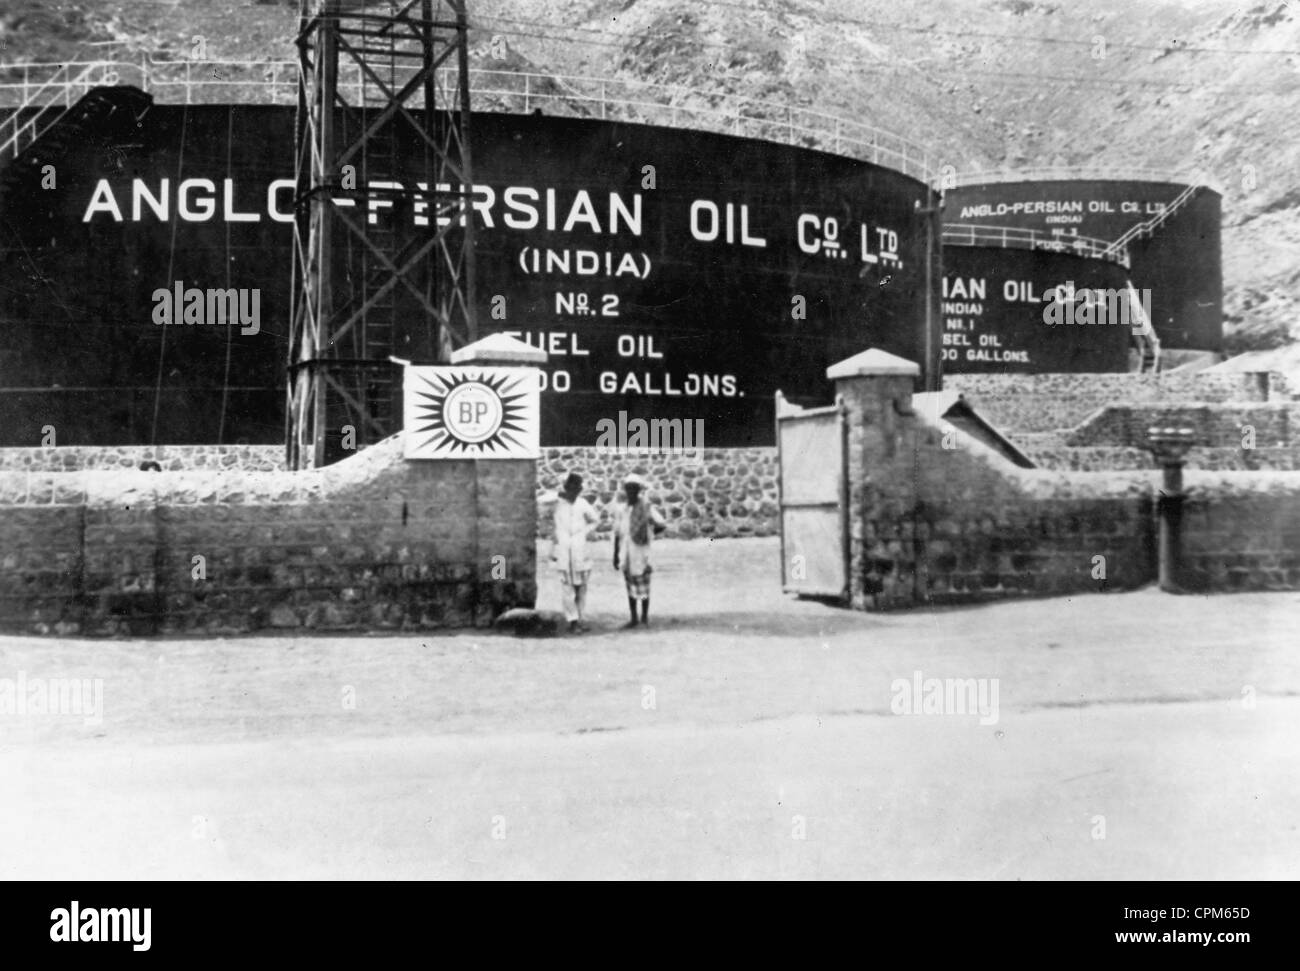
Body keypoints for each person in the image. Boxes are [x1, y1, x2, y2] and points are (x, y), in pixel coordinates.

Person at [612, 473, 666, 628]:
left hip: (641, 551)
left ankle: (644, 618)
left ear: (638, 491)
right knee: (630, 584)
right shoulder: (622, 509)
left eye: (634, 489)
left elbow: (661, 524)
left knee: (643, 584)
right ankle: (633, 617)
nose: (631, 492)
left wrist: (648, 534)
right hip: (626, 551)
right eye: (628, 489)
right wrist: (615, 554)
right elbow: (617, 533)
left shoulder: (646, 508)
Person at [552, 472, 598, 633]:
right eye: (570, 488)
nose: (573, 492)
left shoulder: (583, 503)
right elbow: (540, 499)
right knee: (567, 587)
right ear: (565, 488)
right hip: (564, 550)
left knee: (581, 587)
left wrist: (584, 532)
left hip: (580, 549)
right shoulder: (557, 502)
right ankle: (572, 621)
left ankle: (579, 618)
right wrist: (560, 494)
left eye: (576, 489)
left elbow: (594, 520)